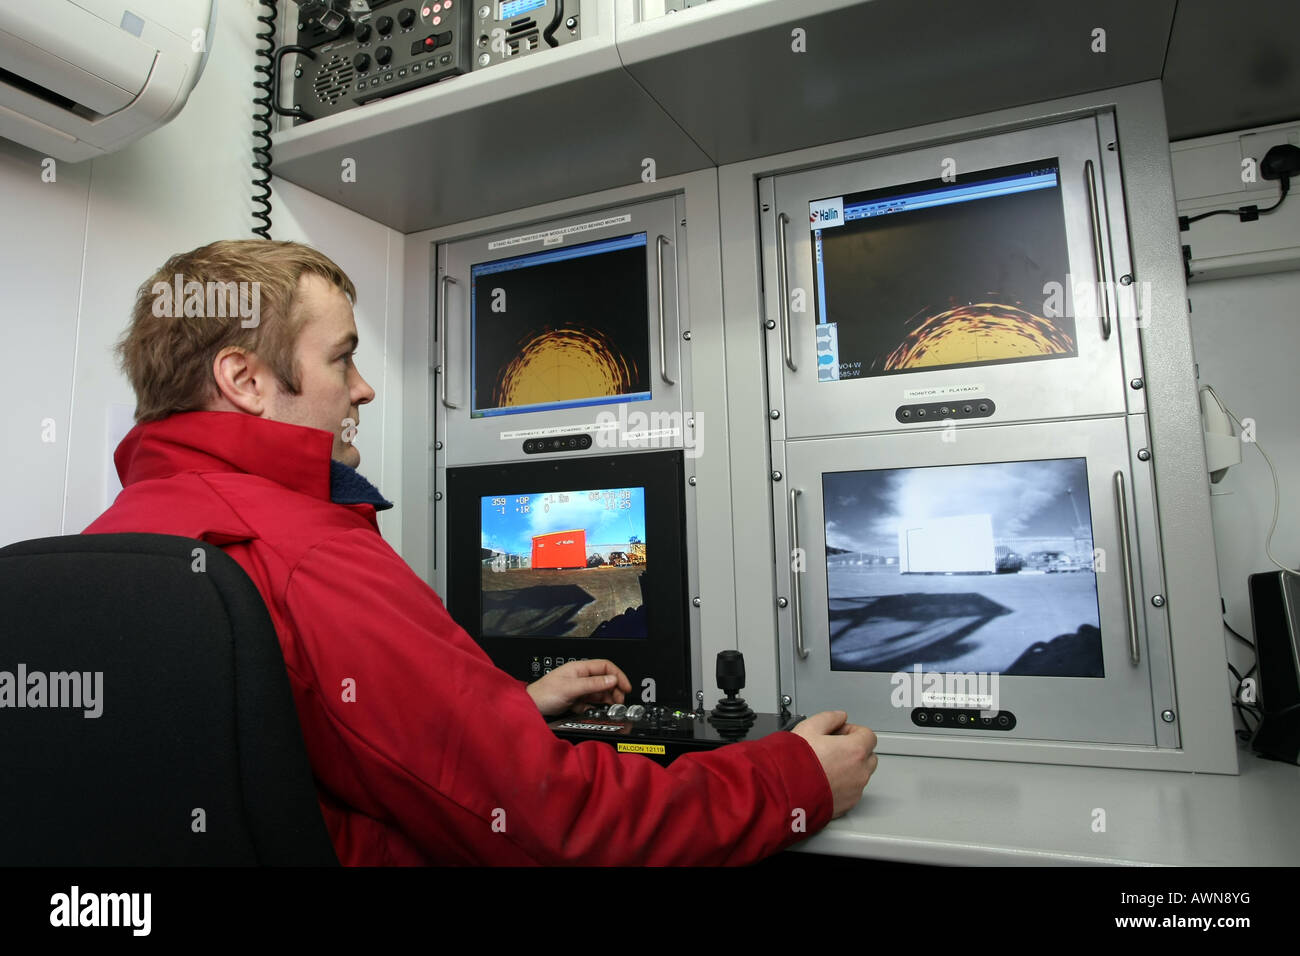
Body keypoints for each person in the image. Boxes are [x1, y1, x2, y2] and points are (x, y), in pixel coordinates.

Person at [84, 239, 879, 865]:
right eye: (341, 358)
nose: (363, 389)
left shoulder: (110, 543)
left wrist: (504, 714)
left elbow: (274, 755)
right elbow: (554, 825)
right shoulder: (306, 552)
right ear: (245, 380)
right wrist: (792, 781)